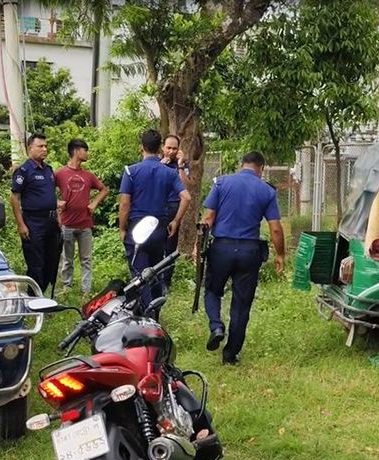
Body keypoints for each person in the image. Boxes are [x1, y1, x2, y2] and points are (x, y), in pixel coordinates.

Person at [198, 151, 285, 365]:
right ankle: (230, 354)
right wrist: (281, 254)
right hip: (249, 251)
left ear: (241, 164)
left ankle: (216, 326)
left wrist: (197, 247)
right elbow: (275, 229)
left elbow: (208, 218)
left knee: (212, 290)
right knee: (241, 304)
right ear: (261, 168)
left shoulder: (221, 183)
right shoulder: (266, 191)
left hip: (221, 248)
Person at [118, 129, 191, 313]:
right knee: (156, 272)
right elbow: (186, 197)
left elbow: (125, 204)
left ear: (141, 147)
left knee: (139, 275)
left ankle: (146, 317)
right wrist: (175, 221)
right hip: (159, 228)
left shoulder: (131, 171)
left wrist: (122, 228)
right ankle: (155, 313)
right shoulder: (169, 172)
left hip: (138, 229)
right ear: (160, 147)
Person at [55, 138, 109, 295]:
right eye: (85, 150)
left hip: (85, 224)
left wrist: (94, 203)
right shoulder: (60, 173)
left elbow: (104, 190)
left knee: (86, 259)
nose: (87, 153)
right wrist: (57, 201)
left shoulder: (88, 175)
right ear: (76, 151)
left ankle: (86, 291)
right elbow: (45, 190)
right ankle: (67, 288)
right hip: (67, 223)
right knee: (67, 260)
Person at [10, 133, 62, 293]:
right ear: (30, 148)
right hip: (33, 223)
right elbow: (14, 198)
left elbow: (52, 196)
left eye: (46, 146)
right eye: (40, 146)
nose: (44, 149)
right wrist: (21, 225)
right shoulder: (23, 171)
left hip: (51, 222)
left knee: (51, 261)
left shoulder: (48, 170)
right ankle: (33, 300)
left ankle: (41, 296)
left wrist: (58, 217)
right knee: (36, 263)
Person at [160, 134, 190, 291]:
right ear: (162, 148)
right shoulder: (157, 164)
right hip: (158, 207)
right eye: (168, 148)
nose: (171, 151)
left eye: (174, 148)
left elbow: (185, 186)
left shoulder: (182, 164)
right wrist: (161, 165)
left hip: (174, 207)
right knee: (156, 243)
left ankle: (166, 281)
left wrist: (180, 165)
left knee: (170, 246)